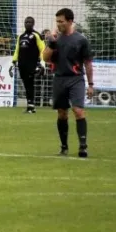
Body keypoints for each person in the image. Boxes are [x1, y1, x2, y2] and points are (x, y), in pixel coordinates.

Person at [42, 8, 94, 158]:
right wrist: (51, 43)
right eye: (57, 21)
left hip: (76, 79)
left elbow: (88, 63)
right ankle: (64, 147)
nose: (58, 24)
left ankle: (83, 146)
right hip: (59, 78)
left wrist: (90, 84)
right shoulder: (55, 39)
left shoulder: (81, 40)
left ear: (70, 21)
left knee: (78, 110)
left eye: (61, 21)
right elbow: (45, 58)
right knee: (62, 113)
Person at [11, 16, 45, 113]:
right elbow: (17, 50)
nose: (28, 24)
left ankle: (31, 106)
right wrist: (13, 62)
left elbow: (43, 49)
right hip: (22, 65)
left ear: (33, 24)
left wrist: (42, 63)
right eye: (26, 22)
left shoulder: (36, 35)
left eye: (30, 22)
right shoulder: (21, 36)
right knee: (26, 85)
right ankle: (30, 106)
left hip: (32, 64)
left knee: (30, 84)